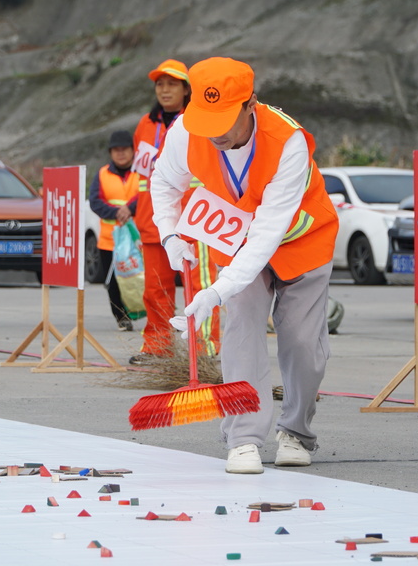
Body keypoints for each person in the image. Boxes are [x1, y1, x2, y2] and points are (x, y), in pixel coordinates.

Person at [149, 57, 338, 474]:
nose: (213, 132)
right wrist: (169, 234)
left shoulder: (288, 142)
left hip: (301, 240)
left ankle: (296, 432)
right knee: (240, 333)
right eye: (206, 118)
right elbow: (163, 182)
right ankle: (244, 438)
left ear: (250, 105)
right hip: (236, 240)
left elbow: (268, 232)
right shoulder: (186, 131)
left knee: (303, 344)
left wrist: (217, 290)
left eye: (223, 120)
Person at [131, 59, 221, 365]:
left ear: (186, 89)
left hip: (194, 220)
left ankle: (207, 349)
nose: (165, 90)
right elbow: (143, 176)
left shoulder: (198, 121)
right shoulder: (145, 124)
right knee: (155, 290)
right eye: (160, 84)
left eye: (172, 84)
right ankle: (156, 347)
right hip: (151, 219)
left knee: (200, 288)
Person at [89, 130, 140, 331]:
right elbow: (95, 202)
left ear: (132, 151)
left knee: (142, 278)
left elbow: (148, 195)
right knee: (114, 283)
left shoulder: (142, 173)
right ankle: (121, 317)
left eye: (124, 149)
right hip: (109, 239)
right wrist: (116, 212)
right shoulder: (102, 174)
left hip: (138, 239)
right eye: (116, 150)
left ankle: (153, 315)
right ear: (110, 153)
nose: (120, 154)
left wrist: (131, 209)